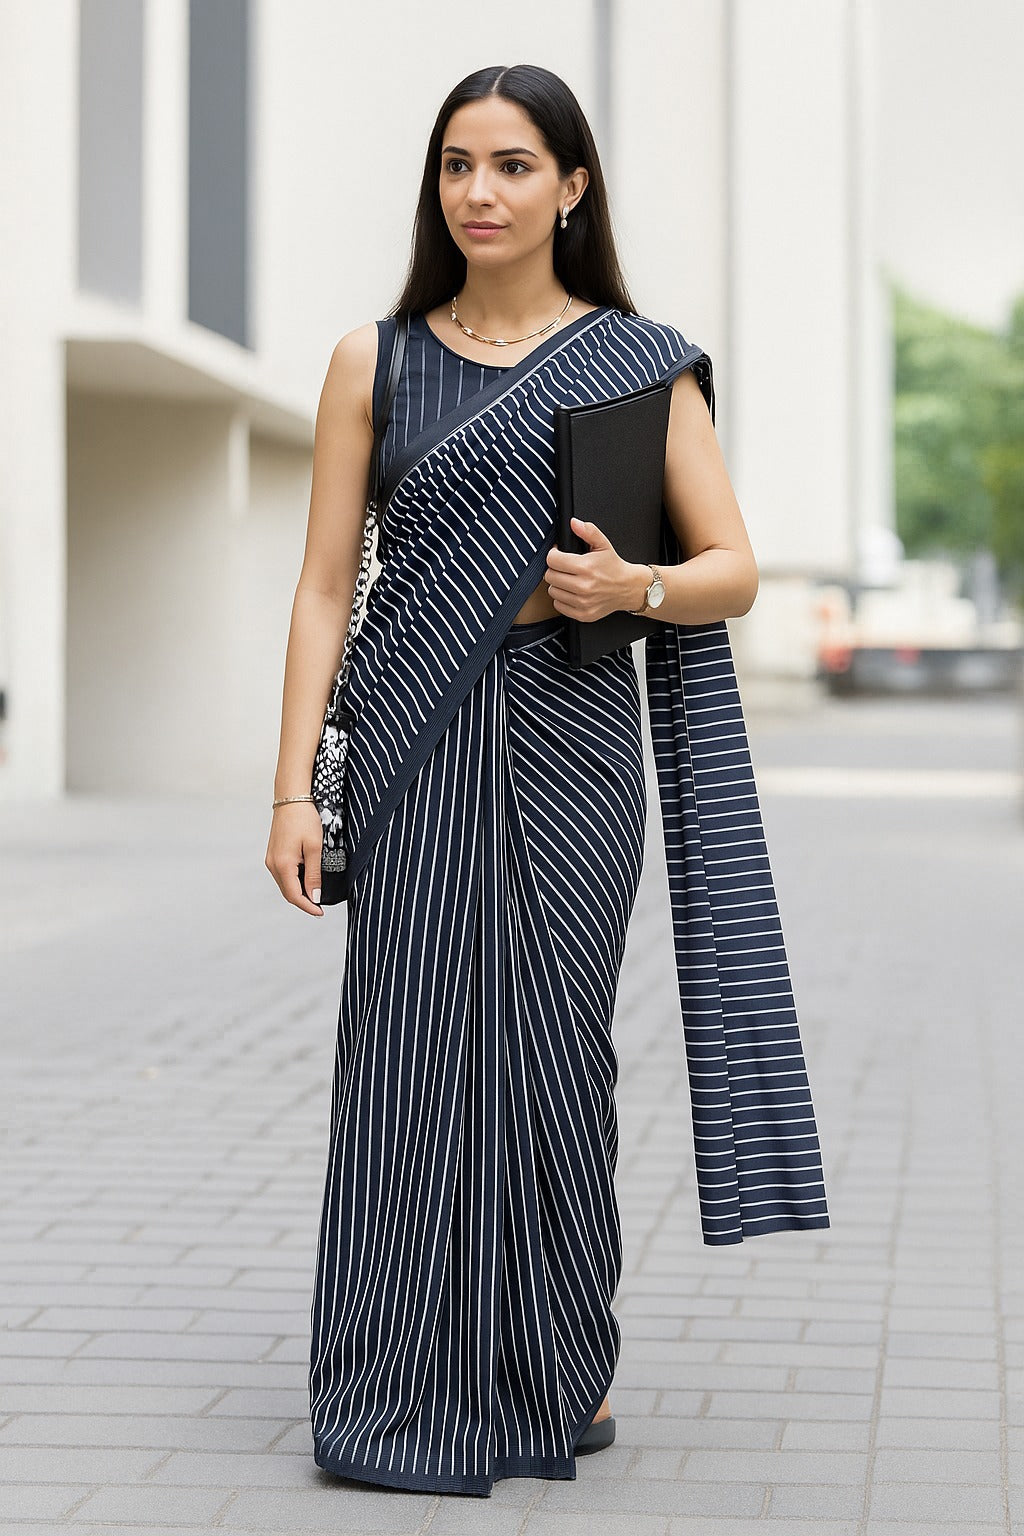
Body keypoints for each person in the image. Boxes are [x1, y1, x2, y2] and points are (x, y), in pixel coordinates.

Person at [265, 63, 829, 1500]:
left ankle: (552, 1367)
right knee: (405, 1056)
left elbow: (734, 571)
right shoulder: (372, 361)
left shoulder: (636, 361)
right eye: (459, 165)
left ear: (572, 188)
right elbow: (328, 590)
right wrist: (292, 792)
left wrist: (626, 582)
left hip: (574, 739)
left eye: (515, 166)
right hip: (413, 741)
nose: (482, 192)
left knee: (556, 1050)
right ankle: (390, 1382)